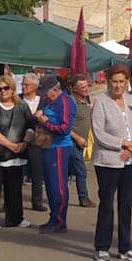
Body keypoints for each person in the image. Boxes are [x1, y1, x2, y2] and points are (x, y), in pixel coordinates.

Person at [90, 65, 132, 261]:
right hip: (108, 161)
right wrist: (122, 144)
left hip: (131, 160)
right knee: (107, 203)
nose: (118, 85)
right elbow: (99, 132)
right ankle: (102, 246)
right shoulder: (101, 102)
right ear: (108, 82)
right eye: (115, 81)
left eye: (122, 81)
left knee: (126, 204)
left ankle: (125, 246)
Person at [0, 74, 34, 231]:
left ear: (12, 88)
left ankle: (15, 218)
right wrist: (11, 145)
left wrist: (24, 142)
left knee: (14, 189)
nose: (3, 91)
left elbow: (30, 125)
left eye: (6, 88)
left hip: (16, 156)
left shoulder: (22, 106)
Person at [36, 84, 75, 233]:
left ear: (55, 89)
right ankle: (53, 217)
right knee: (51, 185)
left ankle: (59, 221)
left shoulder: (65, 102)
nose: (45, 96)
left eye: (47, 93)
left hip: (59, 147)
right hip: (47, 146)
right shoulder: (48, 100)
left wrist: (45, 123)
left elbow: (65, 128)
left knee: (58, 186)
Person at [66, 74, 96, 207]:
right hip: (71, 142)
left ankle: (62, 197)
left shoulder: (85, 101)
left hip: (80, 143)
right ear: (74, 89)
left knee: (69, 171)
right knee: (80, 170)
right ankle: (83, 198)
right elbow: (65, 125)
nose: (86, 89)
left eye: (86, 86)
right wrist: (77, 138)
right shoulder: (71, 102)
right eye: (82, 87)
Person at [20, 73, 48, 212]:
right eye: (23, 84)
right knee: (15, 173)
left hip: (37, 141)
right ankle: (11, 201)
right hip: (19, 140)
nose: (23, 87)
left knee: (37, 172)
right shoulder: (18, 100)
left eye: (26, 84)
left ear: (35, 86)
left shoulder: (43, 101)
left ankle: (36, 201)